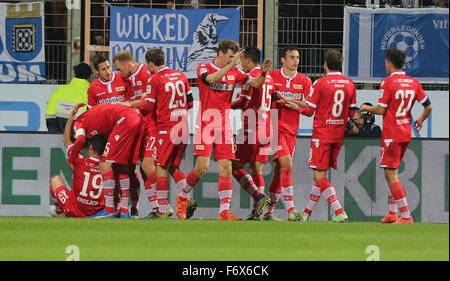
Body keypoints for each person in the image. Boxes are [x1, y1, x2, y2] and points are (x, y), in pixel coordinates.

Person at [177, 39, 272, 220]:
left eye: (234, 57)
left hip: (224, 125)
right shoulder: (204, 68)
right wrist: (232, 66)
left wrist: (264, 73)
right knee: (202, 168)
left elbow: (257, 84)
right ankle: (182, 196)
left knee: (227, 166)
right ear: (220, 53)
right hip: (205, 123)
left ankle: (224, 212)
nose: (233, 60)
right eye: (230, 56)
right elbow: (212, 79)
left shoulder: (235, 72)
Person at [119, 48, 197, 220]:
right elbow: (190, 103)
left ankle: (162, 209)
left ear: (152, 64)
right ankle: (186, 198)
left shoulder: (155, 79)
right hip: (183, 126)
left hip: (166, 128)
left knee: (160, 166)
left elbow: (148, 106)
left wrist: (131, 104)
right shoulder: (181, 76)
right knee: (171, 166)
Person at [281, 49, 357, 223]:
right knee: (320, 175)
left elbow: (308, 111)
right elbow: (352, 113)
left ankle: (339, 211)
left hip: (322, 135)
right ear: (341, 62)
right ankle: (306, 214)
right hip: (338, 135)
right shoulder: (350, 84)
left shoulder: (320, 83)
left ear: (325, 64)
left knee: (319, 176)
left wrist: (294, 107)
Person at [360, 49, 432, 224]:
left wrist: (365, 107)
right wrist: (421, 119)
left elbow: (381, 109)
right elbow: (428, 106)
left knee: (389, 173)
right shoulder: (413, 83)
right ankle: (393, 213)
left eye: (385, 63)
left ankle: (406, 216)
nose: (385, 65)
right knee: (394, 171)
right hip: (406, 132)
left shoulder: (388, 82)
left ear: (389, 63)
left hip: (392, 134)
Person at [262, 46, 312, 221]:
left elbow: (310, 108)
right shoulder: (272, 76)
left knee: (279, 170)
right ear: (283, 60)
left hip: (292, 131)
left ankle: (268, 211)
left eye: (297, 57)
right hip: (275, 127)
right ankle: (291, 210)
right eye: (292, 57)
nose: (296, 60)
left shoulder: (304, 80)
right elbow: (263, 97)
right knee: (287, 164)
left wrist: (294, 104)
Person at [71, 102, 145, 218]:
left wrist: (71, 158)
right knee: (123, 167)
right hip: (137, 119)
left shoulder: (78, 123)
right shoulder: (96, 122)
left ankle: (109, 210)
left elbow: (80, 140)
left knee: (105, 164)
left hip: (124, 120)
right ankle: (125, 211)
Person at [88, 54, 140, 218]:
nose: (108, 71)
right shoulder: (93, 89)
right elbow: (92, 113)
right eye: (103, 69)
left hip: (125, 131)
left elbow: (134, 103)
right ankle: (119, 208)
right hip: (106, 135)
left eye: (109, 67)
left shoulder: (123, 81)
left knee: (127, 169)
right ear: (97, 71)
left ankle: (132, 208)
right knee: (112, 169)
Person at [113, 50, 160, 218]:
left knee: (148, 166)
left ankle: (164, 204)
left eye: (119, 69)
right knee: (138, 168)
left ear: (127, 64)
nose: (119, 73)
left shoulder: (145, 74)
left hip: (152, 127)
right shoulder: (128, 80)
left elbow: (149, 103)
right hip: (138, 129)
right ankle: (154, 208)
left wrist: (129, 104)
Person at [230, 46, 273, 220]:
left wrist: (224, 106)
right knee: (257, 169)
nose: (241, 66)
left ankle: (258, 197)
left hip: (251, 127)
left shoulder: (250, 77)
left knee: (234, 167)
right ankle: (257, 211)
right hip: (267, 128)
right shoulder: (268, 77)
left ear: (248, 60)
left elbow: (243, 102)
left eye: (242, 61)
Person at [49, 103, 107, 218]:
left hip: (74, 211)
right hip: (95, 214)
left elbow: (66, 140)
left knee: (55, 179)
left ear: (90, 147)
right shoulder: (108, 168)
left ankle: (60, 209)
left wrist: (71, 116)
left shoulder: (80, 161)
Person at [45, 63, 92, 133]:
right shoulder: (90, 92)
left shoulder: (60, 90)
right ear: (89, 77)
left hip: (59, 135)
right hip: (79, 136)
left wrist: (56, 136)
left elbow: (50, 115)